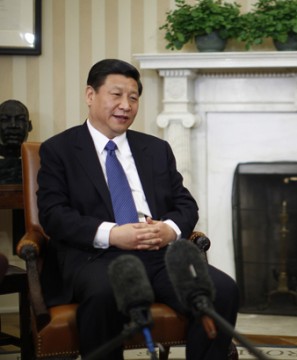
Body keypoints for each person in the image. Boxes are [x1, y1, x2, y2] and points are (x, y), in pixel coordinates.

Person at [37, 59, 239, 360]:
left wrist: (168, 230)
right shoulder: (59, 150)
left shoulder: (155, 149)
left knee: (222, 290)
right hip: (97, 256)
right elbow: (53, 214)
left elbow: (185, 203)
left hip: (159, 255)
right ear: (90, 95)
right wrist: (114, 234)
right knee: (105, 293)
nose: (126, 105)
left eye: (133, 97)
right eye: (116, 95)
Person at [0, 99, 33, 183]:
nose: (13, 125)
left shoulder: (41, 164)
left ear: (29, 126)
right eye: (5, 120)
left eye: (20, 119)